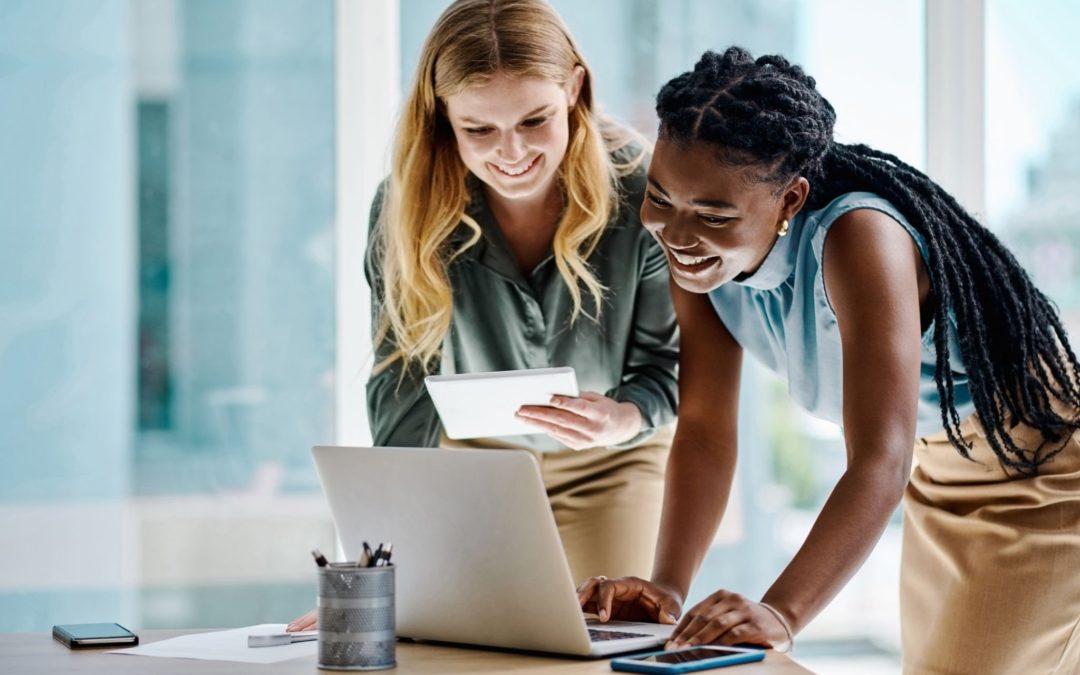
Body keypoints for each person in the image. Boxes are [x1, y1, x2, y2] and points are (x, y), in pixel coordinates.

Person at [578, 47, 1080, 674]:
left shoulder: (860, 238)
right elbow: (706, 430)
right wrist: (667, 591)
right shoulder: (695, 259)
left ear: (790, 199)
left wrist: (783, 614)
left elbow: (878, 457)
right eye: (660, 197)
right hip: (937, 467)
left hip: (1038, 468)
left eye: (712, 215)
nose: (678, 234)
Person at [287, 0, 678, 633]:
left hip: (614, 460)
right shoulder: (406, 208)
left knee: (604, 639)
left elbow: (668, 367)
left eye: (535, 119)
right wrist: (382, 565)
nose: (512, 152)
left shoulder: (642, 189)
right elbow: (401, 385)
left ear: (574, 88)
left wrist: (623, 416)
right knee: (454, 640)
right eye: (479, 130)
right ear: (443, 117)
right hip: (474, 464)